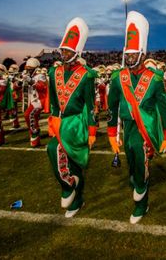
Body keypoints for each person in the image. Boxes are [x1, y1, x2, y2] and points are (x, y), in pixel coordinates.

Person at [107, 11, 166, 224]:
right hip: (127, 125)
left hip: (147, 125)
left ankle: (141, 202)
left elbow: (165, 107)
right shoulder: (118, 78)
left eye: (135, 54)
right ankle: (137, 184)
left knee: (138, 152)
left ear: (143, 55)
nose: (130, 57)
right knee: (132, 160)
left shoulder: (154, 78)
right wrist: (110, 131)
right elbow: (112, 106)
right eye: (128, 54)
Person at [47, 17, 97, 218]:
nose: (64, 53)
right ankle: (71, 187)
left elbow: (91, 106)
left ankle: (74, 195)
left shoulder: (87, 75)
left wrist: (92, 131)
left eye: (68, 50)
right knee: (58, 153)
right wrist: (51, 122)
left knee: (69, 158)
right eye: (63, 50)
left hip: (77, 123)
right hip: (60, 122)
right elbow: (52, 100)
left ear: (77, 53)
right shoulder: (53, 71)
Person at [23, 58, 48, 147]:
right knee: (32, 117)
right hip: (31, 100)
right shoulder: (29, 75)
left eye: (30, 69)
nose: (28, 70)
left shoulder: (40, 75)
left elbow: (42, 87)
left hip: (39, 100)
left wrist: (30, 81)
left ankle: (35, 131)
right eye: (27, 69)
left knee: (28, 115)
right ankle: (35, 138)